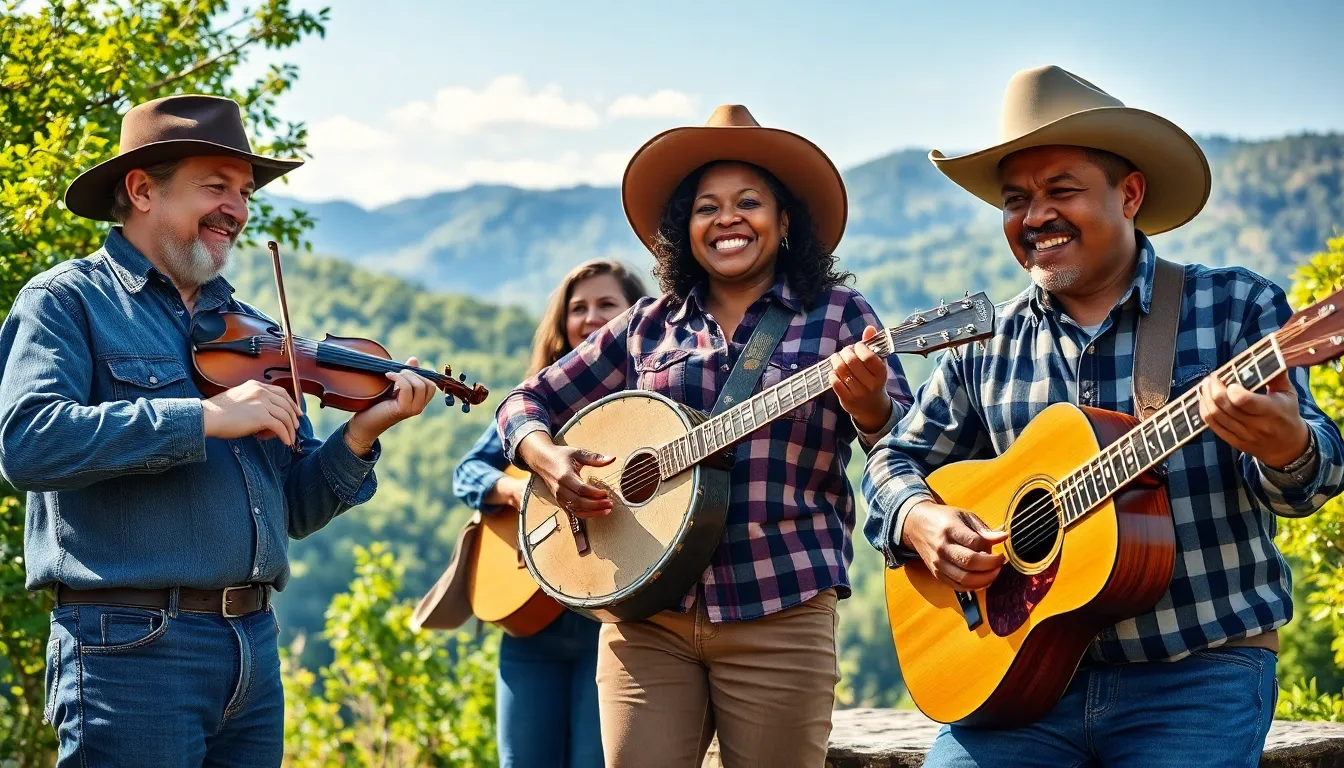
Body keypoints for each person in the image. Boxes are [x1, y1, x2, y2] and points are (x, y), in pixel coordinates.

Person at [862, 65, 1344, 767]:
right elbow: (891, 460)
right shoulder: (987, 345)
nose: (1034, 217)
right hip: (1013, 686)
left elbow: (1314, 481)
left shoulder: (1238, 309)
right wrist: (918, 519)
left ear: (1130, 193)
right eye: (1016, 199)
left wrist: (1287, 446)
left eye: (1061, 190)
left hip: (1197, 676)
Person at [0, 94, 435, 766]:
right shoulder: (66, 302)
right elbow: (30, 442)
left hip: (252, 648)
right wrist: (203, 418)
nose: (238, 207)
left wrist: (360, 436)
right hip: (130, 649)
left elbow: (294, 508)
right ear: (143, 189)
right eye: (216, 186)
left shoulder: (255, 331)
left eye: (244, 192)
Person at [496, 104, 914, 767]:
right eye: (705, 207)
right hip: (645, 618)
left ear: (784, 223)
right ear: (682, 231)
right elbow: (526, 400)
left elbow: (902, 447)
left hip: (780, 604)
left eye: (749, 202)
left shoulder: (837, 317)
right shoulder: (646, 325)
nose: (727, 217)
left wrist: (869, 407)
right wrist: (547, 459)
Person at [452, 258, 648, 768]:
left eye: (606, 304)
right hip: (530, 622)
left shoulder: (651, 401)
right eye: (577, 308)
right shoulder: (543, 403)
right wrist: (518, 494)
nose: (589, 317)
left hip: (612, 626)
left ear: (635, 314)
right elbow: (468, 472)